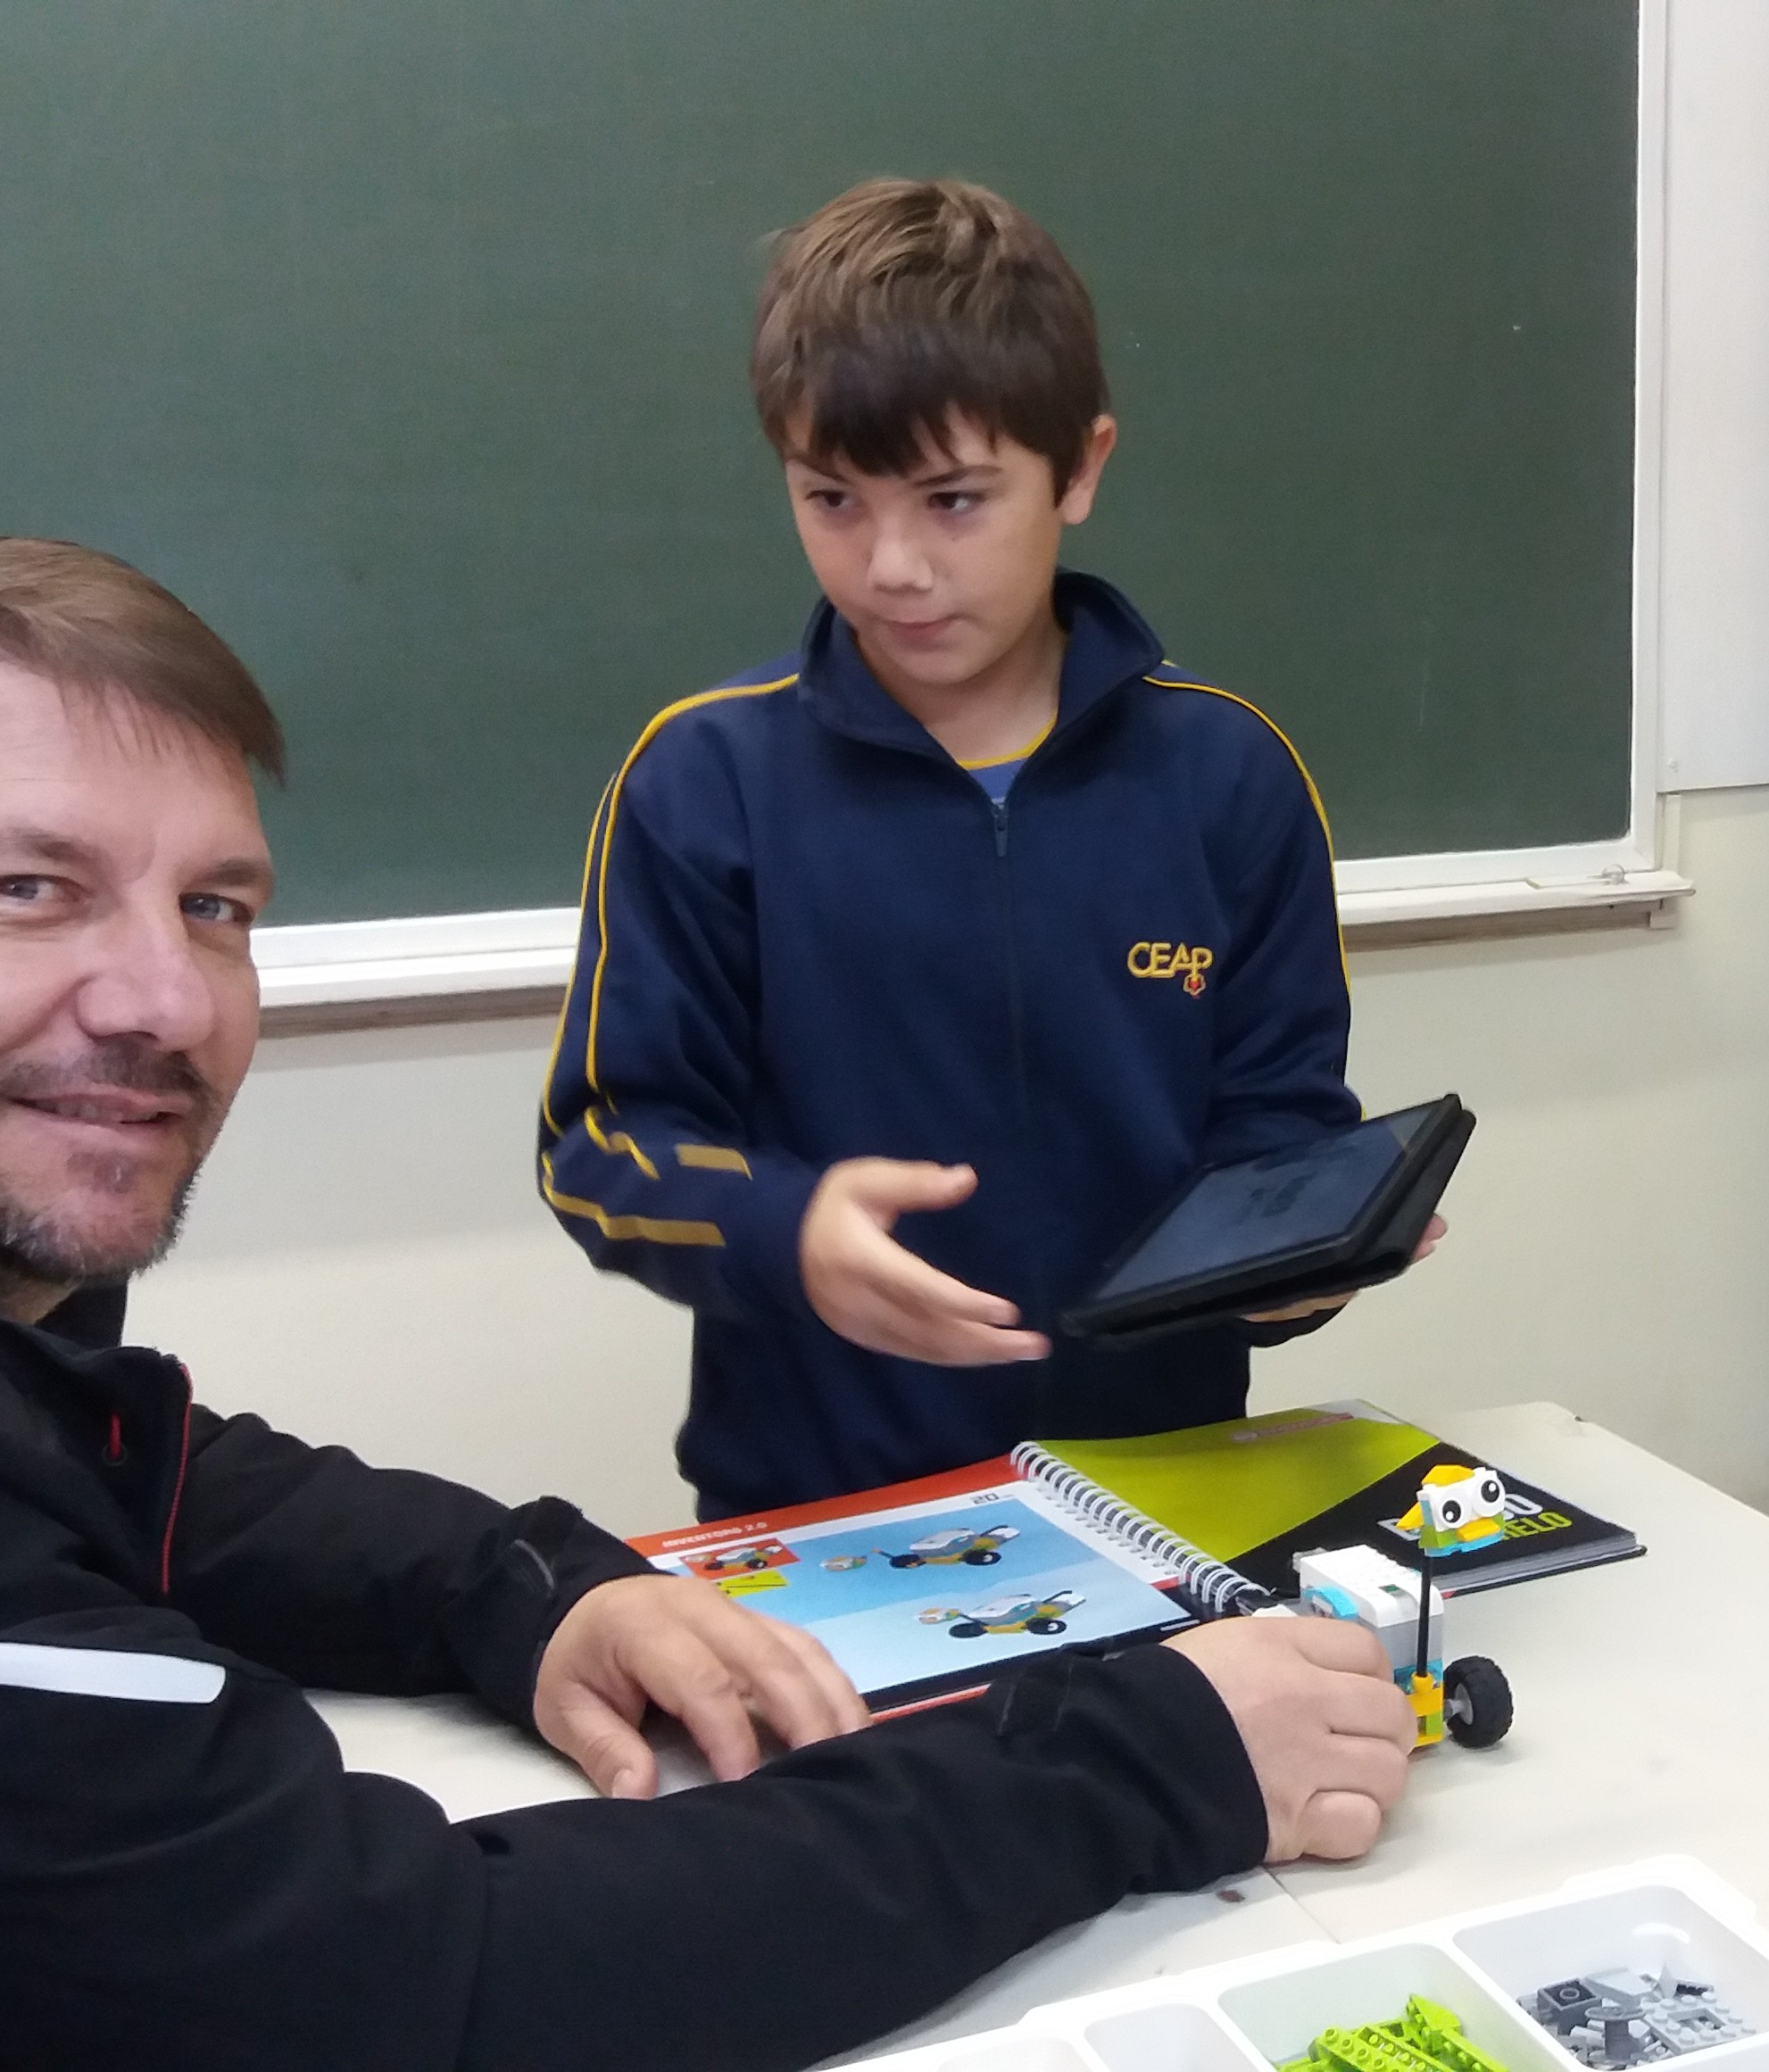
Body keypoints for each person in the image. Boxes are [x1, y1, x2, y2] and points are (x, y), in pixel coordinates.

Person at [0, 538, 1416, 2071]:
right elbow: (394, 1986)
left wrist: (525, 1585)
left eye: (217, 908)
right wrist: (1141, 1762)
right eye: (27, 888)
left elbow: (118, 1462)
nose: (164, 1001)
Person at [536, 176, 1407, 1518]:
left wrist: (1307, 1260)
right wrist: (788, 1231)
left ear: (1082, 469)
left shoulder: (1229, 776)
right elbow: (605, 1144)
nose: (891, 565)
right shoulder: (702, 780)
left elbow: (1278, 1134)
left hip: (1162, 1494)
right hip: (823, 1518)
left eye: (953, 500)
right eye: (832, 498)